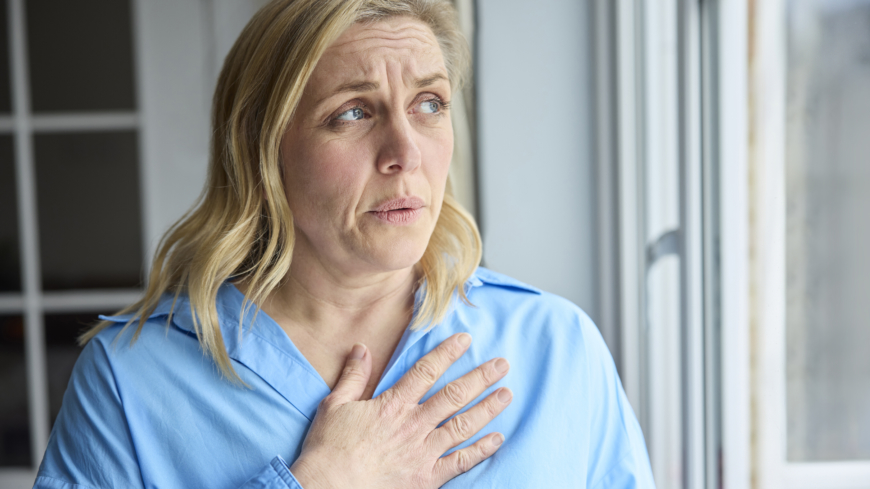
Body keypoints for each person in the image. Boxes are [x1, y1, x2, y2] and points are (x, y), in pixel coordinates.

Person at [34, 0, 655, 487]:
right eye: (354, 112)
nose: (406, 153)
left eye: (429, 104)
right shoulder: (130, 380)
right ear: (262, 148)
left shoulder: (556, 348)